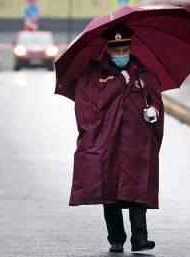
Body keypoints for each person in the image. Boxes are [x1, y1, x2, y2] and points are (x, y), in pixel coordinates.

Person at [70, 23, 164, 253]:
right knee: (108, 190)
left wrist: (155, 111)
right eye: (116, 50)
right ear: (108, 50)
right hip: (107, 143)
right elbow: (85, 111)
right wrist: (92, 137)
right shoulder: (92, 77)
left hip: (137, 143)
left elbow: (155, 102)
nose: (121, 54)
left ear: (130, 48)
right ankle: (116, 238)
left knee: (138, 188)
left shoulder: (144, 74)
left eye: (125, 49)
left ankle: (140, 238)